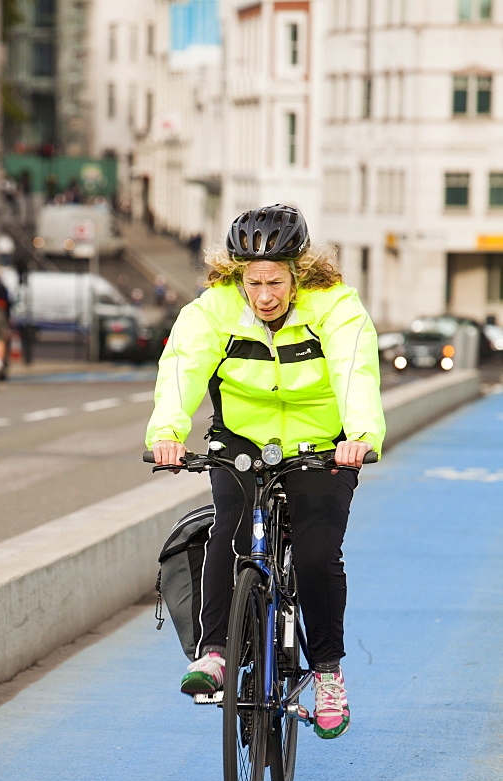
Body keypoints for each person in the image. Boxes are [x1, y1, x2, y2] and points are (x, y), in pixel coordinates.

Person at [146, 204, 386, 739]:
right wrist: (166, 434)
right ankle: (215, 654)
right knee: (228, 537)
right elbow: (182, 366)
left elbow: (354, 370)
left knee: (318, 553)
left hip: (323, 446)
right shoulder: (213, 310)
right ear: (236, 274)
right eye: (252, 281)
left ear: (299, 271)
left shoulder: (336, 307)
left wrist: (360, 437)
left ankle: (327, 672)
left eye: (275, 281)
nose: (264, 294)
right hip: (242, 441)